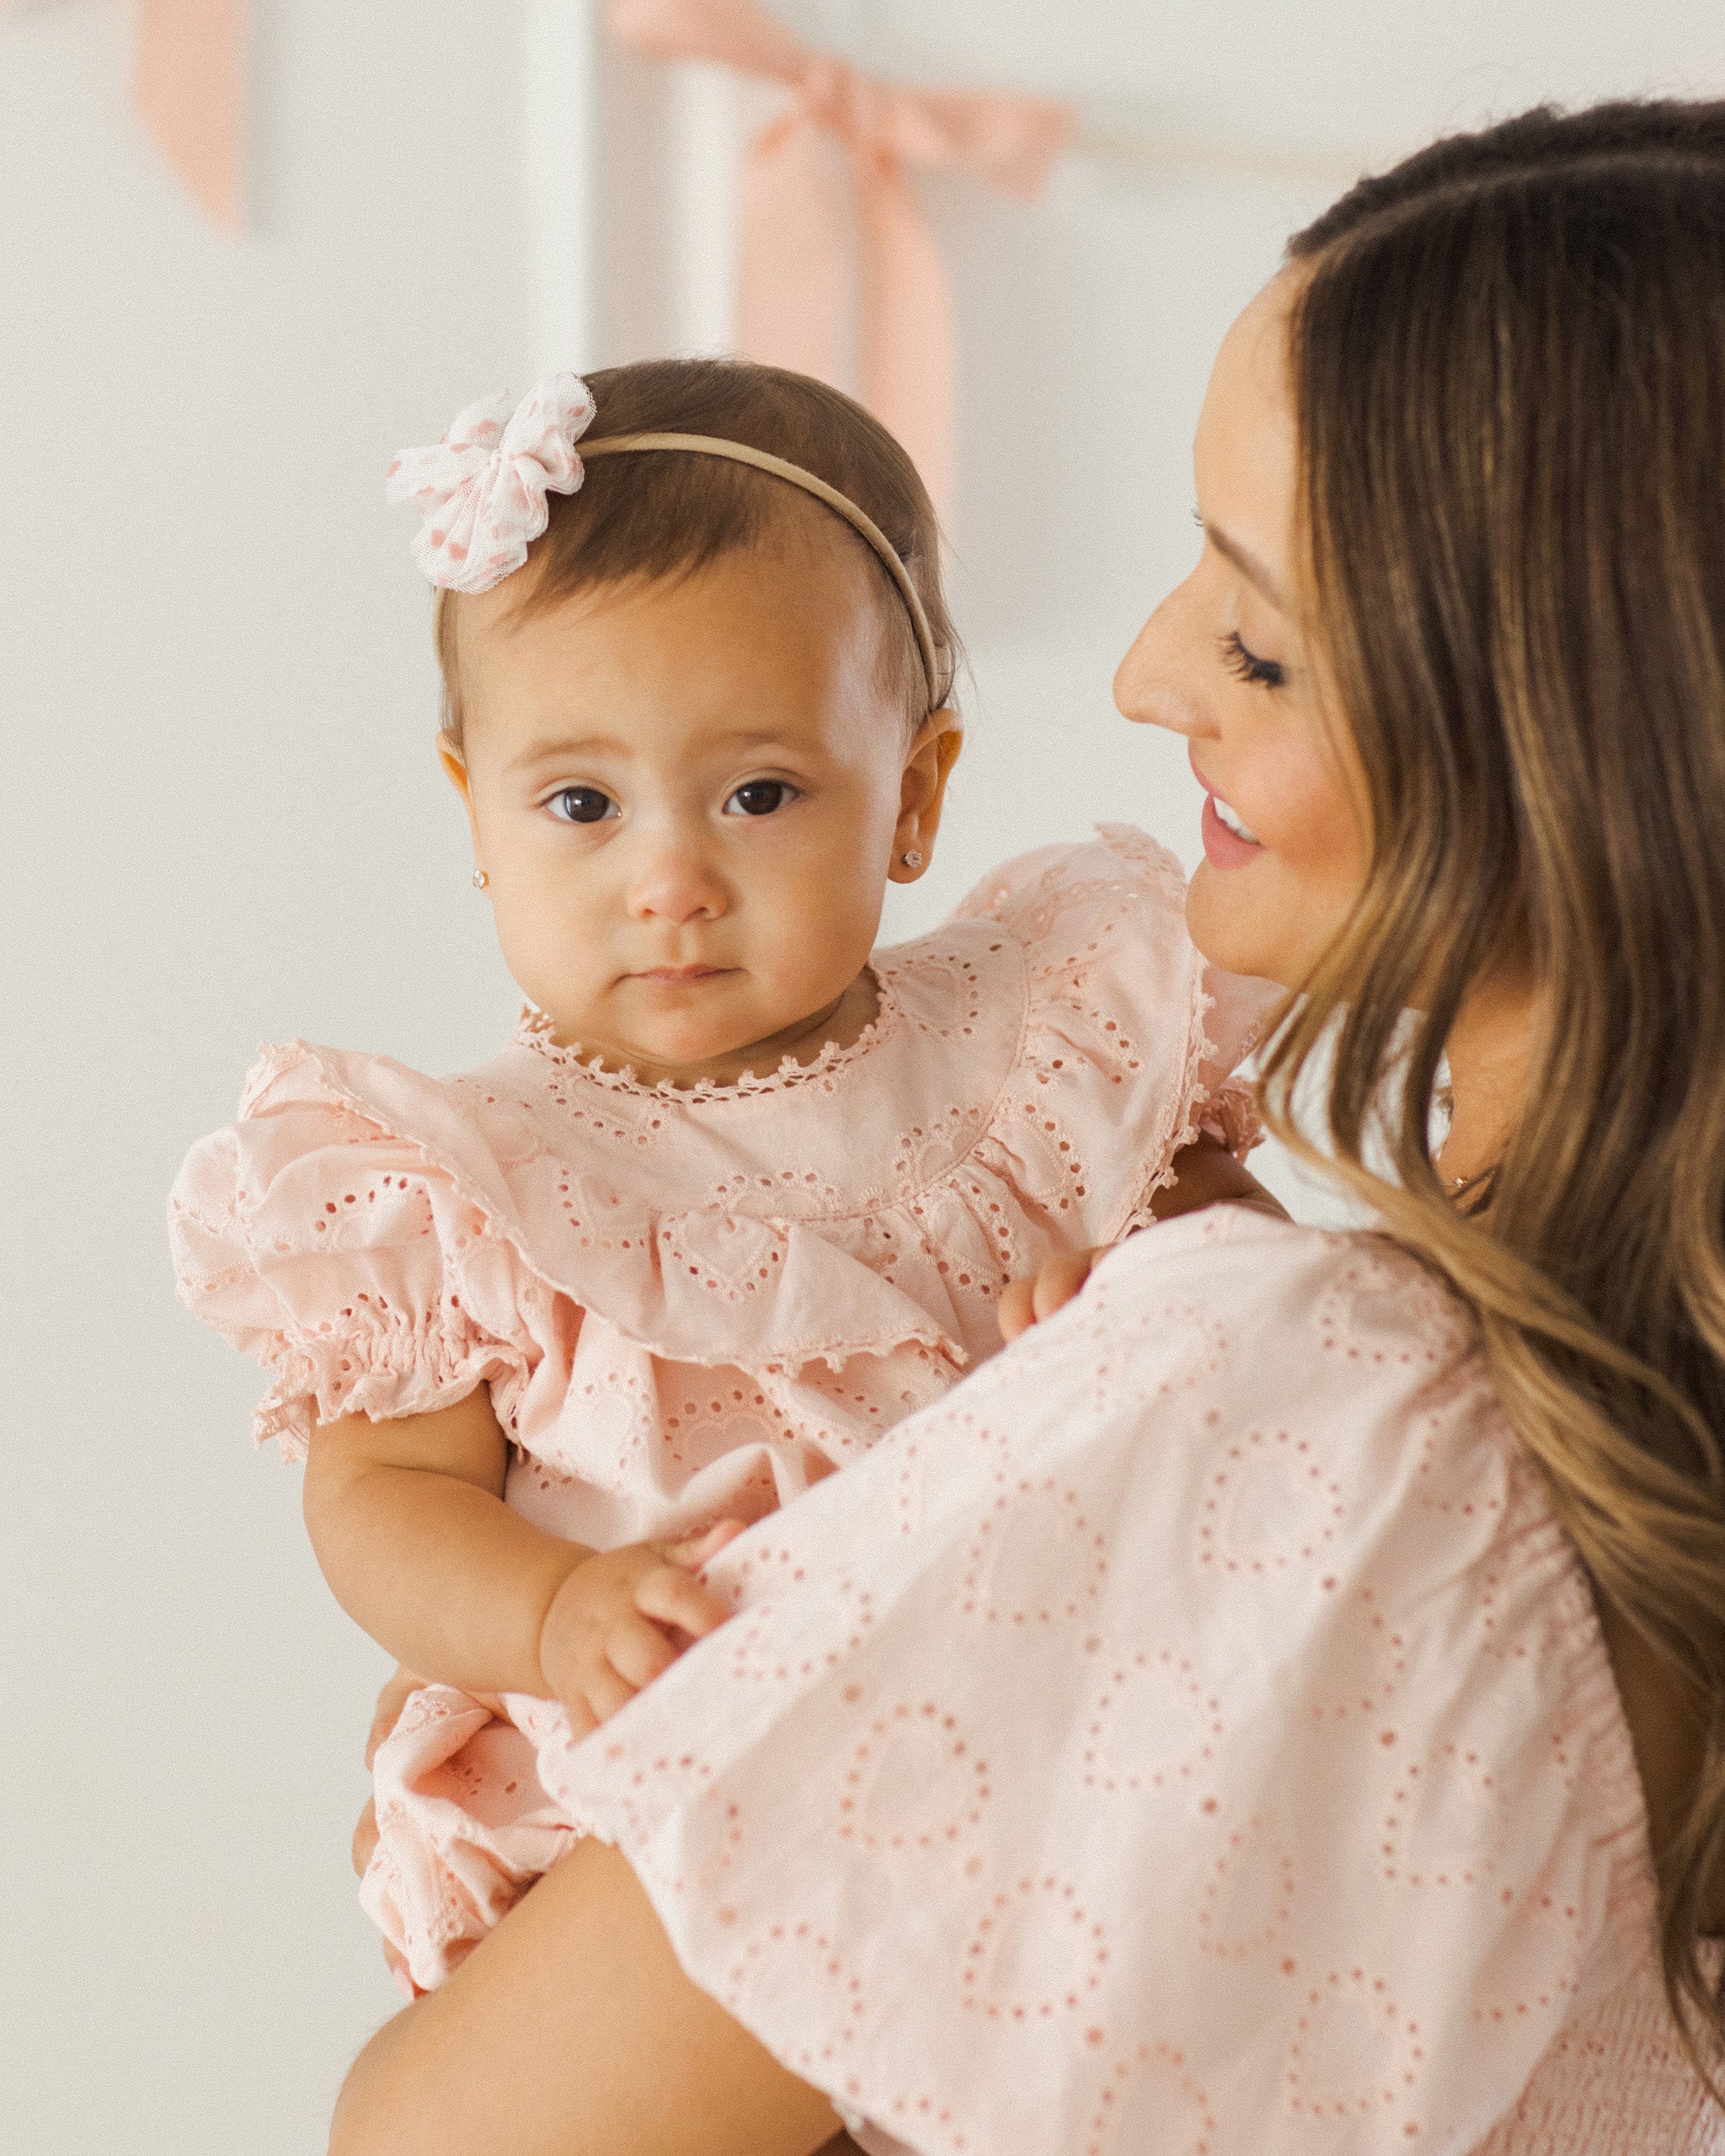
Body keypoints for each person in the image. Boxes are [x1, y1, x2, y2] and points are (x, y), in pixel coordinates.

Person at [326, 99, 1725, 2156]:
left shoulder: (1319, 1394)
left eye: (1258, 638)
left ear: (1578, 756)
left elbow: (446, 2138)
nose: (1154, 672)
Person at [168, 359, 1276, 1993]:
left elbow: (1258, 1310)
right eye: (581, 803)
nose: (670, 878)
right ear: (477, 813)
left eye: (758, 792)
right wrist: (551, 1615)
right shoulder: (465, 1185)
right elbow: (382, 1498)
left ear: (910, 795)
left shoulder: (1047, 1042)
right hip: (668, 1794)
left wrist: (1146, 1316)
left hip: (1044, 1762)